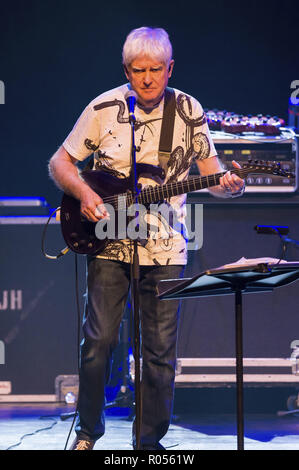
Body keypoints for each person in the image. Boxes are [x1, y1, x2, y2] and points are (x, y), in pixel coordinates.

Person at [48, 26, 245, 450]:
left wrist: (227, 183)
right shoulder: (104, 107)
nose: (148, 79)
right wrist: (83, 193)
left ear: (170, 68)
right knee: (98, 341)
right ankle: (87, 431)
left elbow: (210, 172)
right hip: (108, 242)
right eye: (139, 71)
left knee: (158, 353)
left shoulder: (189, 110)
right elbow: (60, 162)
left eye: (156, 69)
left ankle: (148, 444)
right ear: (126, 69)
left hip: (166, 247)